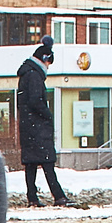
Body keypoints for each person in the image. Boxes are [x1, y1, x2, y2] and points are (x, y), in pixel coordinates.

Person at [15, 41, 74, 207]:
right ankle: (59, 196)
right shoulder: (34, 76)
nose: (49, 66)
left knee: (31, 164)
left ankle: (32, 198)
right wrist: (47, 115)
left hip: (29, 126)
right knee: (48, 162)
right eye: (49, 62)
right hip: (37, 127)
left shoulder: (26, 74)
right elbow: (36, 101)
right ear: (44, 59)